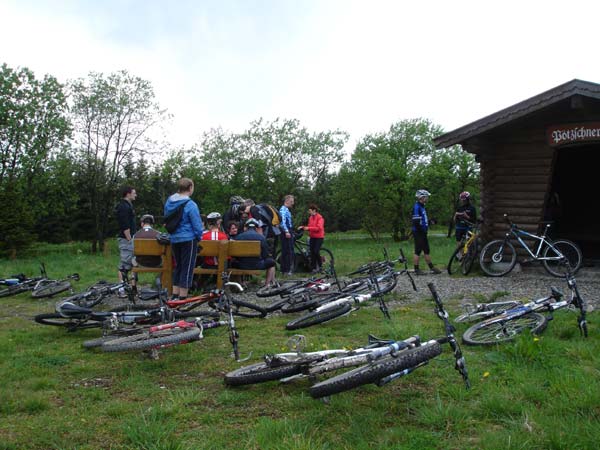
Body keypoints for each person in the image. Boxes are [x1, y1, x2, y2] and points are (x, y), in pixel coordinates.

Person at [163, 178, 203, 299]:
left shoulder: (169, 202)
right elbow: (197, 225)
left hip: (174, 238)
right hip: (188, 239)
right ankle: (183, 298)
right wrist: (198, 237)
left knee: (179, 266)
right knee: (187, 267)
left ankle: (175, 295)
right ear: (190, 187)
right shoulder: (190, 204)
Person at [232, 218, 277, 287]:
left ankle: (240, 284)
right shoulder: (261, 238)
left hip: (241, 265)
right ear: (256, 228)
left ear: (245, 227)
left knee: (233, 262)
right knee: (272, 263)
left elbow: (234, 255)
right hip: (258, 265)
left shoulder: (238, 237)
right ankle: (267, 284)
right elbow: (265, 255)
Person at [411, 189, 441, 275]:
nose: (427, 198)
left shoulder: (422, 206)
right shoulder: (417, 207)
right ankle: (416, 269)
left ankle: (432, 268)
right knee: (418, 250)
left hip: (423, 232)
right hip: (418, 232)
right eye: (426, 197)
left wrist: (431, 221)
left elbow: (422, 220)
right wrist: (421, 231)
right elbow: (416, 222)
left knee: (426, 250)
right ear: (422, 197)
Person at [115, 186, 137, 291]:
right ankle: (121, 288)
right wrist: (129, 239)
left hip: (130, 237)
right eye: (134, 193)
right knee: (124, 264)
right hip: (125, 239)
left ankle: (130, 286)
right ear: (128, 194)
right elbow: (125, 224)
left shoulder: (128, 205)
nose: (135, 195)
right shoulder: (123, 206)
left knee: (131, 263)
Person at [298, 204, 325, 273]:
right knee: (312, 253)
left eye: (310, 211)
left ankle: (320, 266)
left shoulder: (320, 218)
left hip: (319, 237)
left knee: (316, 251)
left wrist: (309, 228)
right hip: (312, 237)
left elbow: (319, 228)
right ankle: (313, 268)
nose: (309, 212)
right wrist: (303, 227)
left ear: (314, 210)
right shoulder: (310, 218)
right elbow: (309, 227)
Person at [279, 194, 295, 275]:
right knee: (287, 251)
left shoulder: (287, 210)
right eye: (291, 201)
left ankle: (284, 269)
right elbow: (282, 222)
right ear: (287, 201)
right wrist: (286, 231)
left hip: (289, 230)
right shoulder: (283, 210)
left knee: (287, 250)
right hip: (286, 231)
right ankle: (286, 270)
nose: (293, 203)